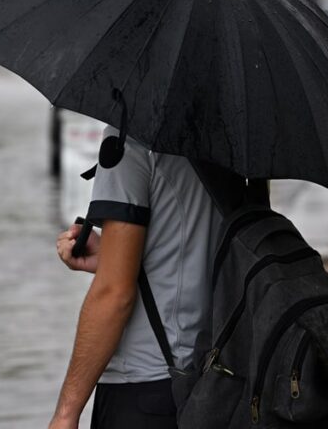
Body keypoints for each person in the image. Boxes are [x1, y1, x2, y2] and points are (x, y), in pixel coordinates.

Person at [48, 127, 221, 429]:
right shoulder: (230, 138)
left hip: (143, 390)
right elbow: (200, 254)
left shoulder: (129, 138)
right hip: (215, 381)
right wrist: (111, 257)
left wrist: (66, 414)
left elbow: (114, 294)